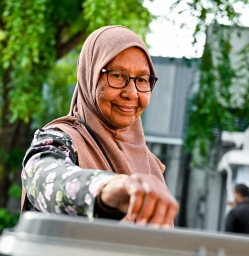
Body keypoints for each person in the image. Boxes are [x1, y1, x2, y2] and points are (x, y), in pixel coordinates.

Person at [21, 25, 179, 228]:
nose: (131, 93)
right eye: (117, 76)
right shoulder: (60, 141)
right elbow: (46, 180)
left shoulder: (150, 165)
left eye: (141, 79)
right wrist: (108, 188)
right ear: (90, 76)